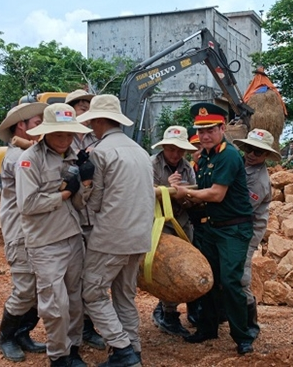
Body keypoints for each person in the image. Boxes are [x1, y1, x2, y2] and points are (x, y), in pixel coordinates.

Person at [76, 94, 154, 367]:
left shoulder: (100, 152)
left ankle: (121, 349)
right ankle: (134, 351)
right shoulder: (141, 151)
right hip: (140, 236)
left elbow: (94, 202)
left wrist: (83, 182)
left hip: (111, 236)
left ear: (98, 120)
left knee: (92, 292)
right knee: (124, 296)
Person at [172, 102, 255, 355]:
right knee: (207, 280)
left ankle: (243, 336)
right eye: (201, 130)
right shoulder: (205, 156)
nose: (204, 135)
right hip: (211, 228)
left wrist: (185, 192)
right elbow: (200, 193)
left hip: (233, 229)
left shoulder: (228, 155)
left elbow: (217, 195)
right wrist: (180, 190)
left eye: (210, 130)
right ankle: (207, 328)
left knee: (230, 282)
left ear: (222, 128)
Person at [16, 103, 92, 367]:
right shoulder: (30, 160)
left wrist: (85, 185)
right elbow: (27, 205)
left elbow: (80, 205)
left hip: (72, 236)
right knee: (54, 303)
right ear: (46, 132)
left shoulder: (73, 156)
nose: (65, 140)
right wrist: (63, 194)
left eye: (69, 134)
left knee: (74, 299)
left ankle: (72, 349)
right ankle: (58, 355)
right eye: (59, 134)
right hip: (45, 241)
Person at [0, 102, 49, 362]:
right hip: (20, 233)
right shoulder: (16, 157)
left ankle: (23, 334)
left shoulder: (30, 152)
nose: (41, 128)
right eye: (37, 123)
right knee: (26, 289)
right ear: (21, 125)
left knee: (40, 290)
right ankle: (5, 337)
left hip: (37, 232)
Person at [65, 88, 107, 351]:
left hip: (96, 218)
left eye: (89, 107)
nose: (85, 110)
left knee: (94, 276)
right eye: (81, 106)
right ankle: (72, 333)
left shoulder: (99, 139)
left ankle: (89, 326)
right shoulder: (61, 139)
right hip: (70, 219)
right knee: (72, 278)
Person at [149, 125, 199, 337]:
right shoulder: (151, 165)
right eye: (171, 149)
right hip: (158, 224)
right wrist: (166, 190)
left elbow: (193, 199)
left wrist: (184, 197)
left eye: (179, 150)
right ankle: (168, 312)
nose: (175, 154)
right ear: (164, 147)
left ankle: (168, 310)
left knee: (180, 268)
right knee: (163, 268)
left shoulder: (187, 168)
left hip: (181, 223)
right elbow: (141, 194)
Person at [231, 128, 280, 338]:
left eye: (258, 152)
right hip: (230, 226)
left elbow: (241, 208)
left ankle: (250, 324)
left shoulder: (259, 182)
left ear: (266, 155)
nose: (251, 154)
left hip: (247, 231)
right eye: (249, 149)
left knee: (241, 276)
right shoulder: (238, 164)